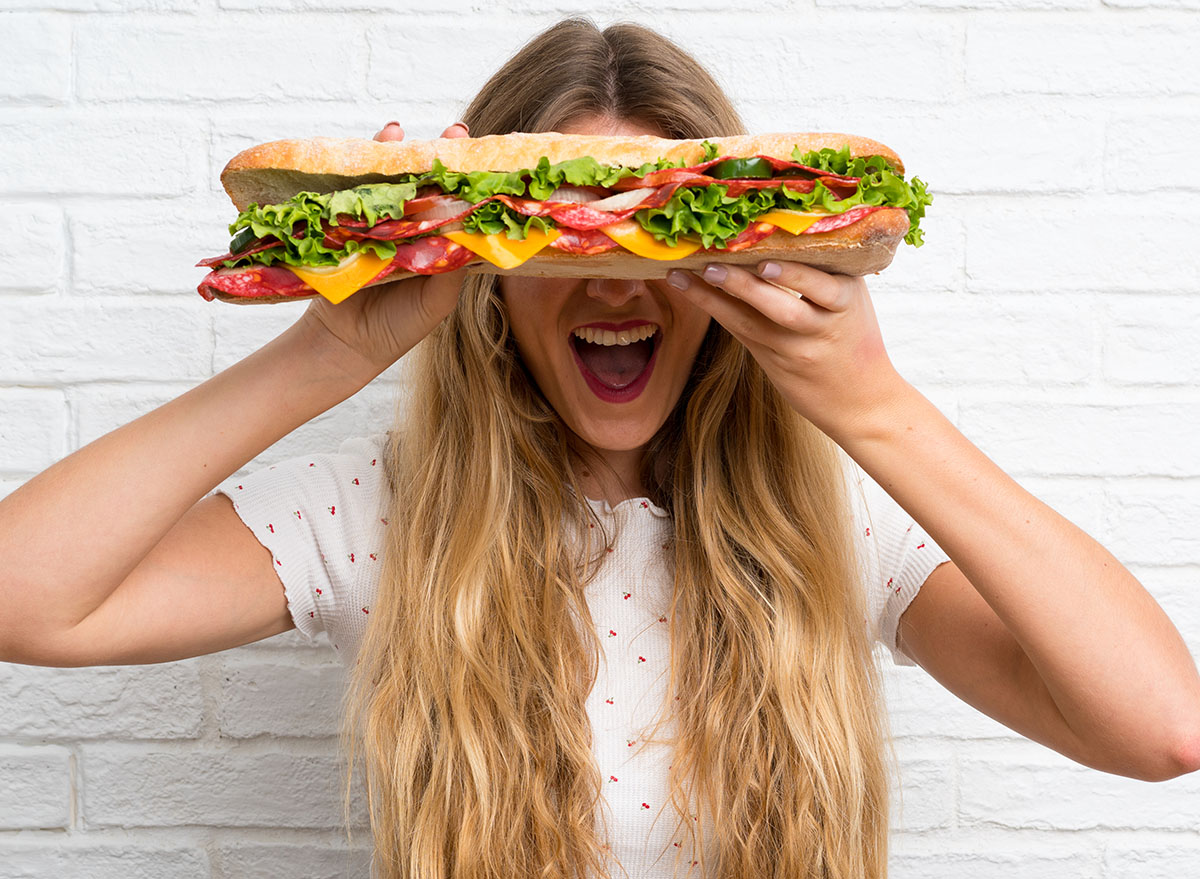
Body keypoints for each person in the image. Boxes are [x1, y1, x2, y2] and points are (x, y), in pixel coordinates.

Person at [0, 16, 1197, 879]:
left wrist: (875, 406)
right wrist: (328, 349)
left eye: (659, 239)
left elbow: (1160, 730)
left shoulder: (838, 527)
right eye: (568, 243)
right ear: (491, 279)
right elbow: (25, 599)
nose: (615, 286)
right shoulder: (376, 513)